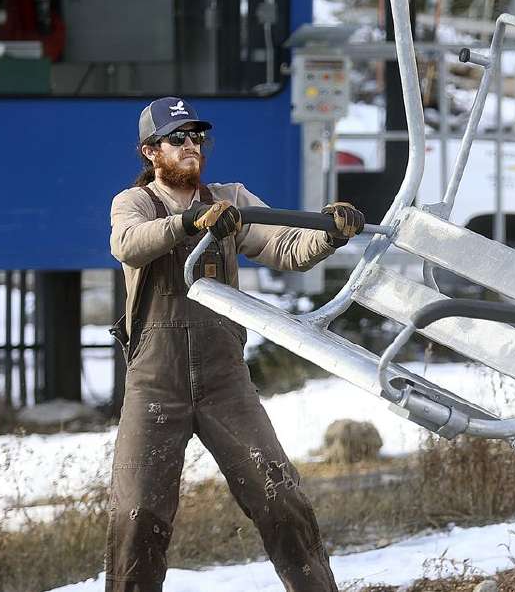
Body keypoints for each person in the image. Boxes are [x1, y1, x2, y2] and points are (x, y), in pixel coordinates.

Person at [107, 96, 363, 592]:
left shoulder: (231, 198)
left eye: (197, 137)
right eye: (177, 138)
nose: (191, 146)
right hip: (156, 386)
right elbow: (129, 244)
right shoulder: (134, 203)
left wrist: (331, 235)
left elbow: (285, 246)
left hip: (226, 382)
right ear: (149, 151)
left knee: (280, 498)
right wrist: (189, 223)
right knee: (137, 514)